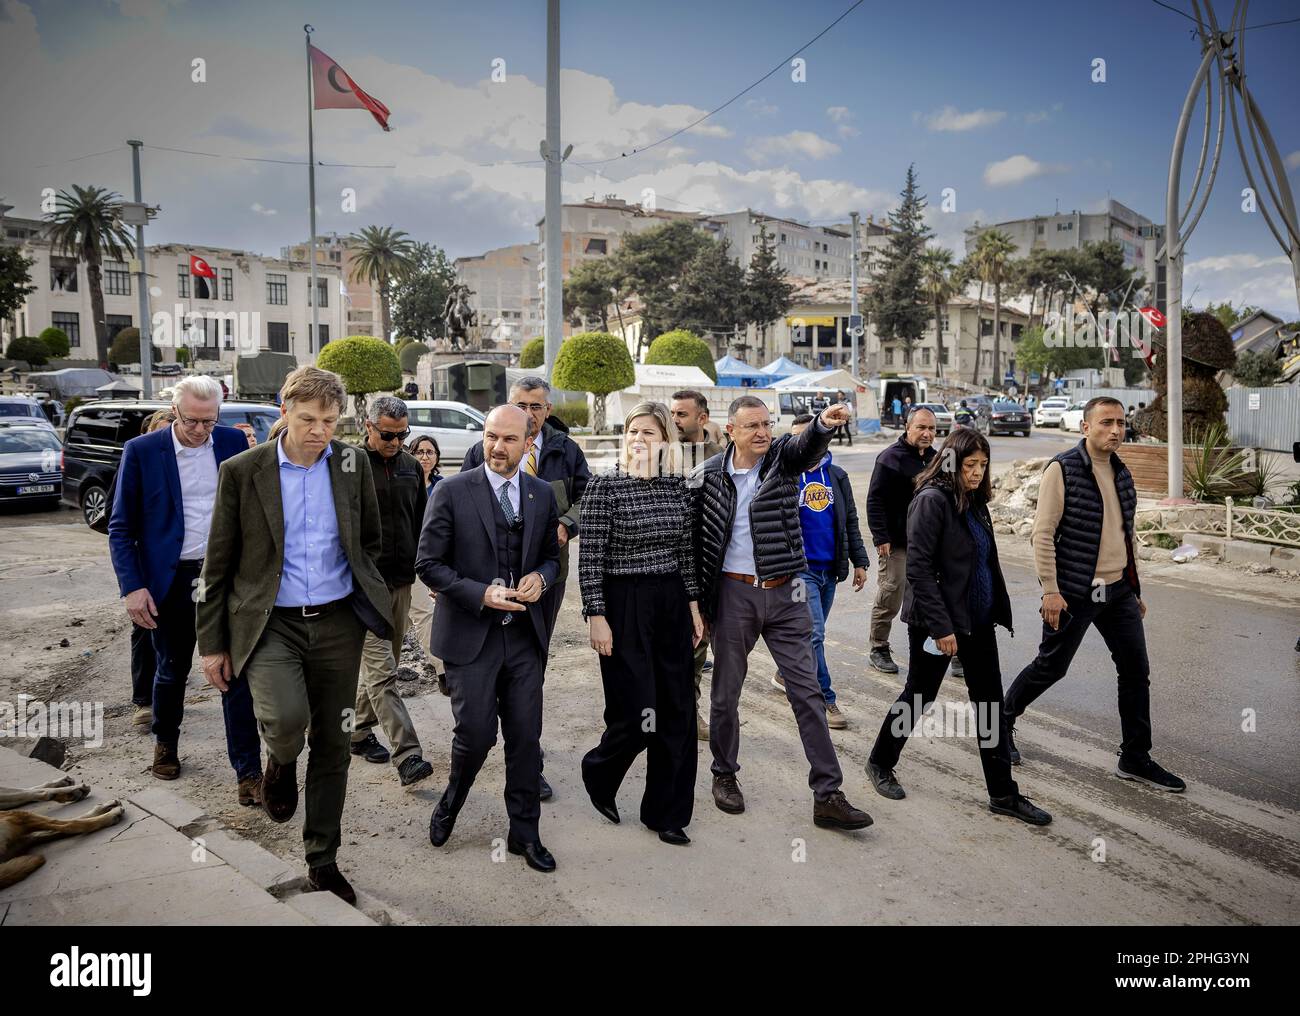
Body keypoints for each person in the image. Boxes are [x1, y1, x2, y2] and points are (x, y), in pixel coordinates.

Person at [196, 366, 395, 906]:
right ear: (284, 412)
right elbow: (218, 565)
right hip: (270, 624)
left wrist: (365, 602)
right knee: (285, 719)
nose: (319, 430)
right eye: (308, 419)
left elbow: (369, 543)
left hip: (337, 623)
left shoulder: (352, 465)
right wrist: (212, 644)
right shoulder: (243, 470)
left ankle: (323, 859)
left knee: (334, 743)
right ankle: (279, 761)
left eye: (330, 420)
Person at [693, 395, 873, 831]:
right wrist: (696, 603)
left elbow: (805, 446)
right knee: (725, 694)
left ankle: (828, 794)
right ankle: (724, 775)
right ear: (729, 429)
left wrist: (822, 424)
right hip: (734, 593)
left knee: (807, 692)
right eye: (751, 425)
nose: (761, 432)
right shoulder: (708, 476)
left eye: (766, 424)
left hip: (788, 592)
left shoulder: (782, 461)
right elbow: (695, 544)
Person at [866, 427, 1051, 826]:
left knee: (989, 705)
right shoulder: (932, 501)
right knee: (919, 694)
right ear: (951, 462)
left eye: (983, 465)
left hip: (977, 622)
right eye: (970, 465)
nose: (977, 472)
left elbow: (982, 564)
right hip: (940, 625)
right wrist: (940, 628)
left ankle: (1003, 793)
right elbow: (918, 569)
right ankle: (880, 762)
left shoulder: (975, 501)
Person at [1004, 397, 1185, 792]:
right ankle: (1002, 723)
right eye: (1106, 422)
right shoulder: (1062, 469)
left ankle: (1135, 756)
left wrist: (1134, 588)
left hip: (1118, 590)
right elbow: (1043, 534)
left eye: (1120, 423)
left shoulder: (1121, 471)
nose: (1116, 430)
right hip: (1073, 591)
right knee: (1052, 666)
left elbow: (1126, 535)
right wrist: (1050, 591)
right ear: (1085, 427)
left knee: (1136, 670)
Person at [418, 405, 561, 872]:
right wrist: (482, 593)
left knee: (525, 739)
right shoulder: (452, 491)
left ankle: (526, 834)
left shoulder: (542, 493)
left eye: (509, 440)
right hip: (470, 638)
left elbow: (552, 558)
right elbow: (429, 565)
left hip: (523, 639)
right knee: (476, 736)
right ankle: (451, 803)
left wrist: (542, 576)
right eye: (491, 437)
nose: (498, 447)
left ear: (528, 442)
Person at [107, 377, 262, 804]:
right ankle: (166, 744)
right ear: (174, 411)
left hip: (225, 579)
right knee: (172, 669)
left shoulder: (232, 442)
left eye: (209, 422)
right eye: (192, 421)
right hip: (170, 580)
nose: (200, 431)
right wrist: (133, 587)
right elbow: (120, 528)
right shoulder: (142, 452)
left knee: (233, 673)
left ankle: (248, 772)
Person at [579, 402, 703, 846]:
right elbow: (590, 557)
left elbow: (685, 552)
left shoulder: (678, 487)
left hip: (669, 600)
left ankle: (666, 813)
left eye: (649, 433)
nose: (639, 439)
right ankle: (599, 770)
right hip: (622, 601)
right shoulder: (604, 487)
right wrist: (597, 616)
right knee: (636, 712)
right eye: (633, 431)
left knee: (677, 712)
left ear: (666, 440)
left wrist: (692, 605)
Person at [461, 376, 590, 801]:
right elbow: (460, 509)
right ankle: (480, 742)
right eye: (522, 404)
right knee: (487, 657)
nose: (530, 413)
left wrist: (565, 525)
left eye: (537, 406)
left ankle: (528, 761)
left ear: (548, 411)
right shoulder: (481, 452)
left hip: (545, 573)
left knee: (531, 660)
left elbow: (586, 498)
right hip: (487, 580)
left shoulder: (565, 450)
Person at [348, 397, 435, 787]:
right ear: (368, 426)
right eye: (387, 435)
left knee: (385, 666)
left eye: (403, 436)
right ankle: (408, 754)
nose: (396, 442)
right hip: (363, 587)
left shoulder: (412, 468)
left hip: (401, 581)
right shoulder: (347, 465)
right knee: (384, 671)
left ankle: (356, 731)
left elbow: (421, 525)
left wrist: (427, 572)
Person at [771, 415, 869, 729]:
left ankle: (786, 671)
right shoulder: (784, 475)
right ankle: (825, 699)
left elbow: (850, 520)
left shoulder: (837, 476)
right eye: (798, 438)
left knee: (809, 635)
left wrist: (860, 561)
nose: (804, 444)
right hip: (801, 571)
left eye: (810, 437)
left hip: (830, 569)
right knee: (814, 634)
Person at [107, 408, 174, 732]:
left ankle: (166, 696)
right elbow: (114, 518)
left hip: (183, 566)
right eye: (160, 432)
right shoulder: (137, 459)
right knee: (146, 632)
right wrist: (131, 580)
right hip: (146, 563)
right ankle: (144, 701)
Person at [866, 407, 946, 676]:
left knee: (933, 594)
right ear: (907, 427)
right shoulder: (890, 458)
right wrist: (881, 536)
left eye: (932, 429)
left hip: (929, 543)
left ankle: (940, 644)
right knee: (892, 591)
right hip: (896, 542)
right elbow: (875, 500)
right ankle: (878, 646)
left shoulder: (939, 460)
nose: (927, 433)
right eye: (921, 427)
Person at [670, 389, 724, 738]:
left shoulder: (721, 458)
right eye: (672, 414)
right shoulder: (664, 453)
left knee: (696, 645)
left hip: (704, 566)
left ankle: (689, 713)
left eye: (682, 415)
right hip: (665, 565)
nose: (675, 420)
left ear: (702, 419)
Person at [406, 435, 447, 694]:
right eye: (419, 451)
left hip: (439, 559)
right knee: (422, 614)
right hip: (410, 561)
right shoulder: (404, 483)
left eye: (430, 452)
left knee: (437, 613)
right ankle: (444, 670)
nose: (424, 456)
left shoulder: (443, 487)